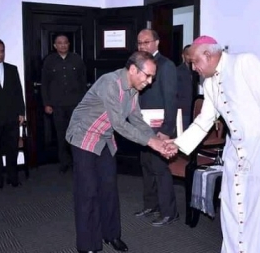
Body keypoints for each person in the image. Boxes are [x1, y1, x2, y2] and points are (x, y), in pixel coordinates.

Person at [165, 36, 260, 253]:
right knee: (234, 208)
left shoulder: (245, 62)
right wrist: (178, 145)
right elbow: (204, 120)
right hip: (236, 152)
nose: (194, 68)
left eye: (195, 62)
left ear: (208, 54)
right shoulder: (208, 83)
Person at [66, 51, 169, 253]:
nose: (149, 82)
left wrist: (157, 140)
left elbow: (137, 120)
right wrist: (151, 143)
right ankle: (88, 245)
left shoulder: (132, 89)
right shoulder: (110, 83)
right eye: (147, 76)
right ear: (132, 69)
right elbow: (120, 124)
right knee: (88, 192)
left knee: (109, 188)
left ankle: (111, 235)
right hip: (83, 137)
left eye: (152, 77)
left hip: (104, 138)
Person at [134, 29, 179, 227]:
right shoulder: (137, 65)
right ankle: (151, 205)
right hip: (142, 126)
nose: (142, 46)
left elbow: (171, 100)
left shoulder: (166, 66)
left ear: (156, 43)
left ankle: (170, 212)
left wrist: (167, 129)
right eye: (139, 43)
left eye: (146, 42)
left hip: (160, 128)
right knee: (146, 166)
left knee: (160, 169)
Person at [41, 34, 86, 173]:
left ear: (69, 44)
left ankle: (77, 162)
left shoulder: (77, 59)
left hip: (75, 104)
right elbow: (45, 84)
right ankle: (64, 162)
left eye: (65, 42)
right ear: (55, 45)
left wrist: (84, 103)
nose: (63, 45)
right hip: (57, 105)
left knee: (77, 134)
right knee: (61, 135)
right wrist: (46, 103)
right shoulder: (49, 61)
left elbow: (83, 82)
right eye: (59, 43)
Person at [0, 38, 25, 189]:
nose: (0, 54)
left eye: (2, 51)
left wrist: (21, 112)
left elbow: (18, 92)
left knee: (12, 148)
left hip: (11, 116)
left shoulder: (12, 69)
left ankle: (13, 177)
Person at [177, 44, 194, 130]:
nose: (190, 57)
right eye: (188, 54)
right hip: (184, 109)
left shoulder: (197, 70)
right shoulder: (178, 71)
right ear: (183, 55)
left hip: (195, 108)